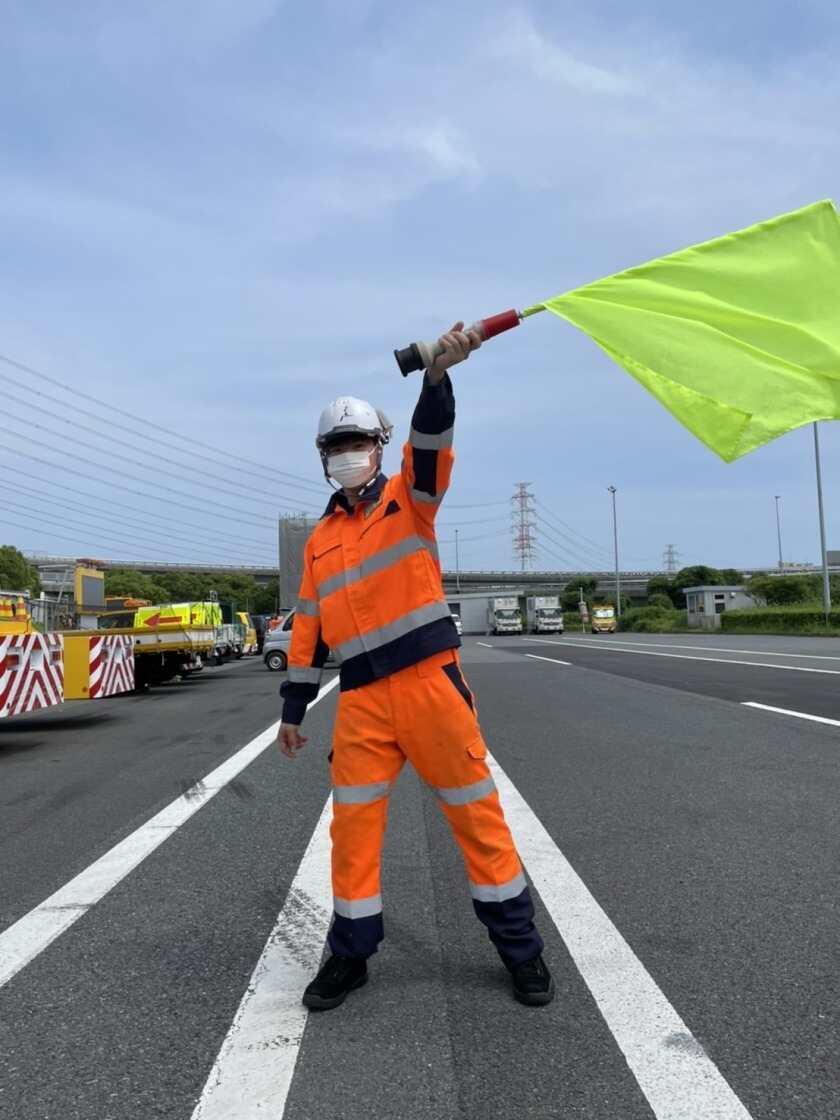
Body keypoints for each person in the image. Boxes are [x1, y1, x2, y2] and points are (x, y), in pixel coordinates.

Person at [277, 323, 553, 1010]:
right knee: (352, 831)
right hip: (364, 701)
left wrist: (436, 377)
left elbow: (432, 444)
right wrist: (292, 709)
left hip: (431, 686)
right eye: (336, 447)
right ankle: (351, 955)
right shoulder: (319, 541)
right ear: (324, 458)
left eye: (358, 444)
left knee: (477, 819)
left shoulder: (410, 498)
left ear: (379, 447)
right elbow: (308, 628)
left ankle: (522, 954)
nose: (349, 456)